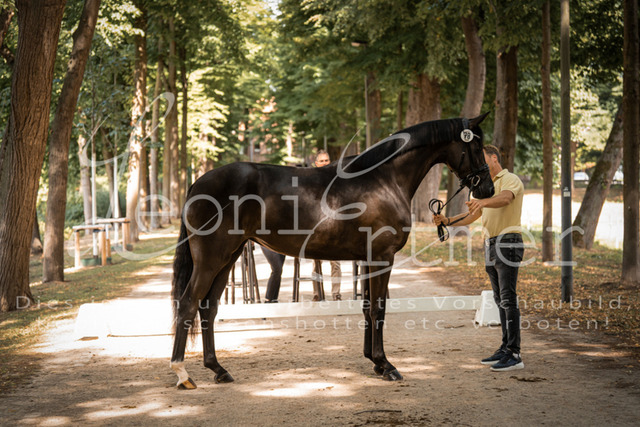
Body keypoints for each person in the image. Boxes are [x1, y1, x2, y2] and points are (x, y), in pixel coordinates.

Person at [433, 145, 525, 372]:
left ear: (494, 158)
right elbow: (473, 214)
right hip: (491, 244)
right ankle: (505, 347)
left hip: (508, 241)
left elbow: (505, 199)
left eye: (482, 158)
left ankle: (514, 353)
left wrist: (482, 202)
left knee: (508, 298)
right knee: (499, 299)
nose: (479, 163)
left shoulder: (510, 179)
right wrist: (447, 221)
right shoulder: (485, 186)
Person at [312, 150, 342, 301]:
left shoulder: (336, 180)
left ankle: (336, 293)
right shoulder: (312, 181)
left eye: (327, 160)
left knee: (335, 262)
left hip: (333, 225)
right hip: (316, 226)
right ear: (316, 163)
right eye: (322, 161)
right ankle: (317, 293)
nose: (325, 163)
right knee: (316, 262)